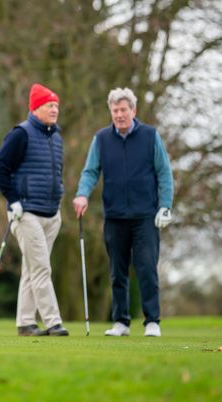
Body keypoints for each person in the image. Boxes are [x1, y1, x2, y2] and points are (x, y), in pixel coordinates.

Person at [73, 87, 173, 337]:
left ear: (133, 111)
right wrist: (83, 193)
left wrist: (166, 205)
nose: (119, 114)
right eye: (115, 110)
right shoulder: (102, 139)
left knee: (146, 268)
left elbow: (164, 172)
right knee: (117, 271)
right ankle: (121, 322)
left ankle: (152, 321)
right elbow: (90, 171)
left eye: (123, 110)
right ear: (111, 112)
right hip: (115, 216)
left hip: (145, 216)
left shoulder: (150, 136)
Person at [0, 83, 69, 337]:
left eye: (56, 105)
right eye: (49, 105)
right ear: (36, 108)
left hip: (51, 214)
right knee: (42, 268)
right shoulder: (21, 134)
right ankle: (53, 321)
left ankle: (25, 322)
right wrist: (12, 199)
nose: (55, 109)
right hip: (26, 213)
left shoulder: (56, 137)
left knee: (32, 268)